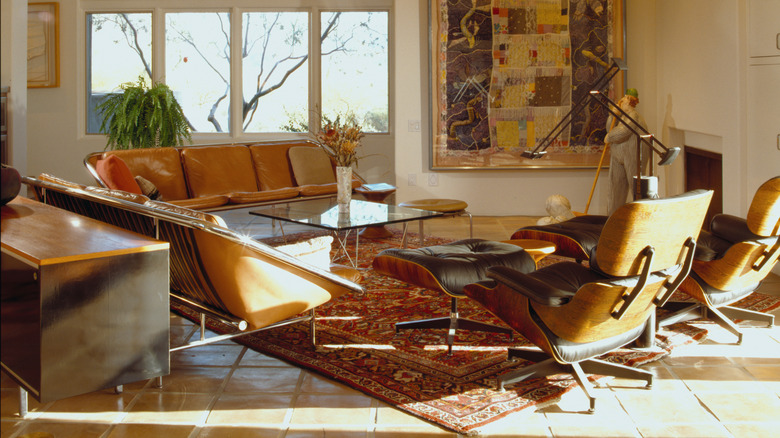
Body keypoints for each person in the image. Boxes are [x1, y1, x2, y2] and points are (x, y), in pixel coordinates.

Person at [605, 88, 650, 215]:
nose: (620, 101)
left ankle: (641, 216)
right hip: (619, 156)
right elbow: (609, 128)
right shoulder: (623, 116)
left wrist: (610, 137)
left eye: (623, 99)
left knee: (636, 186)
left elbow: (624, 131)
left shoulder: (633, 116)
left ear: (629, 102)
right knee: (616, 188)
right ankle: (613, 218)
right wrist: (613, 114)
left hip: (633, 156)